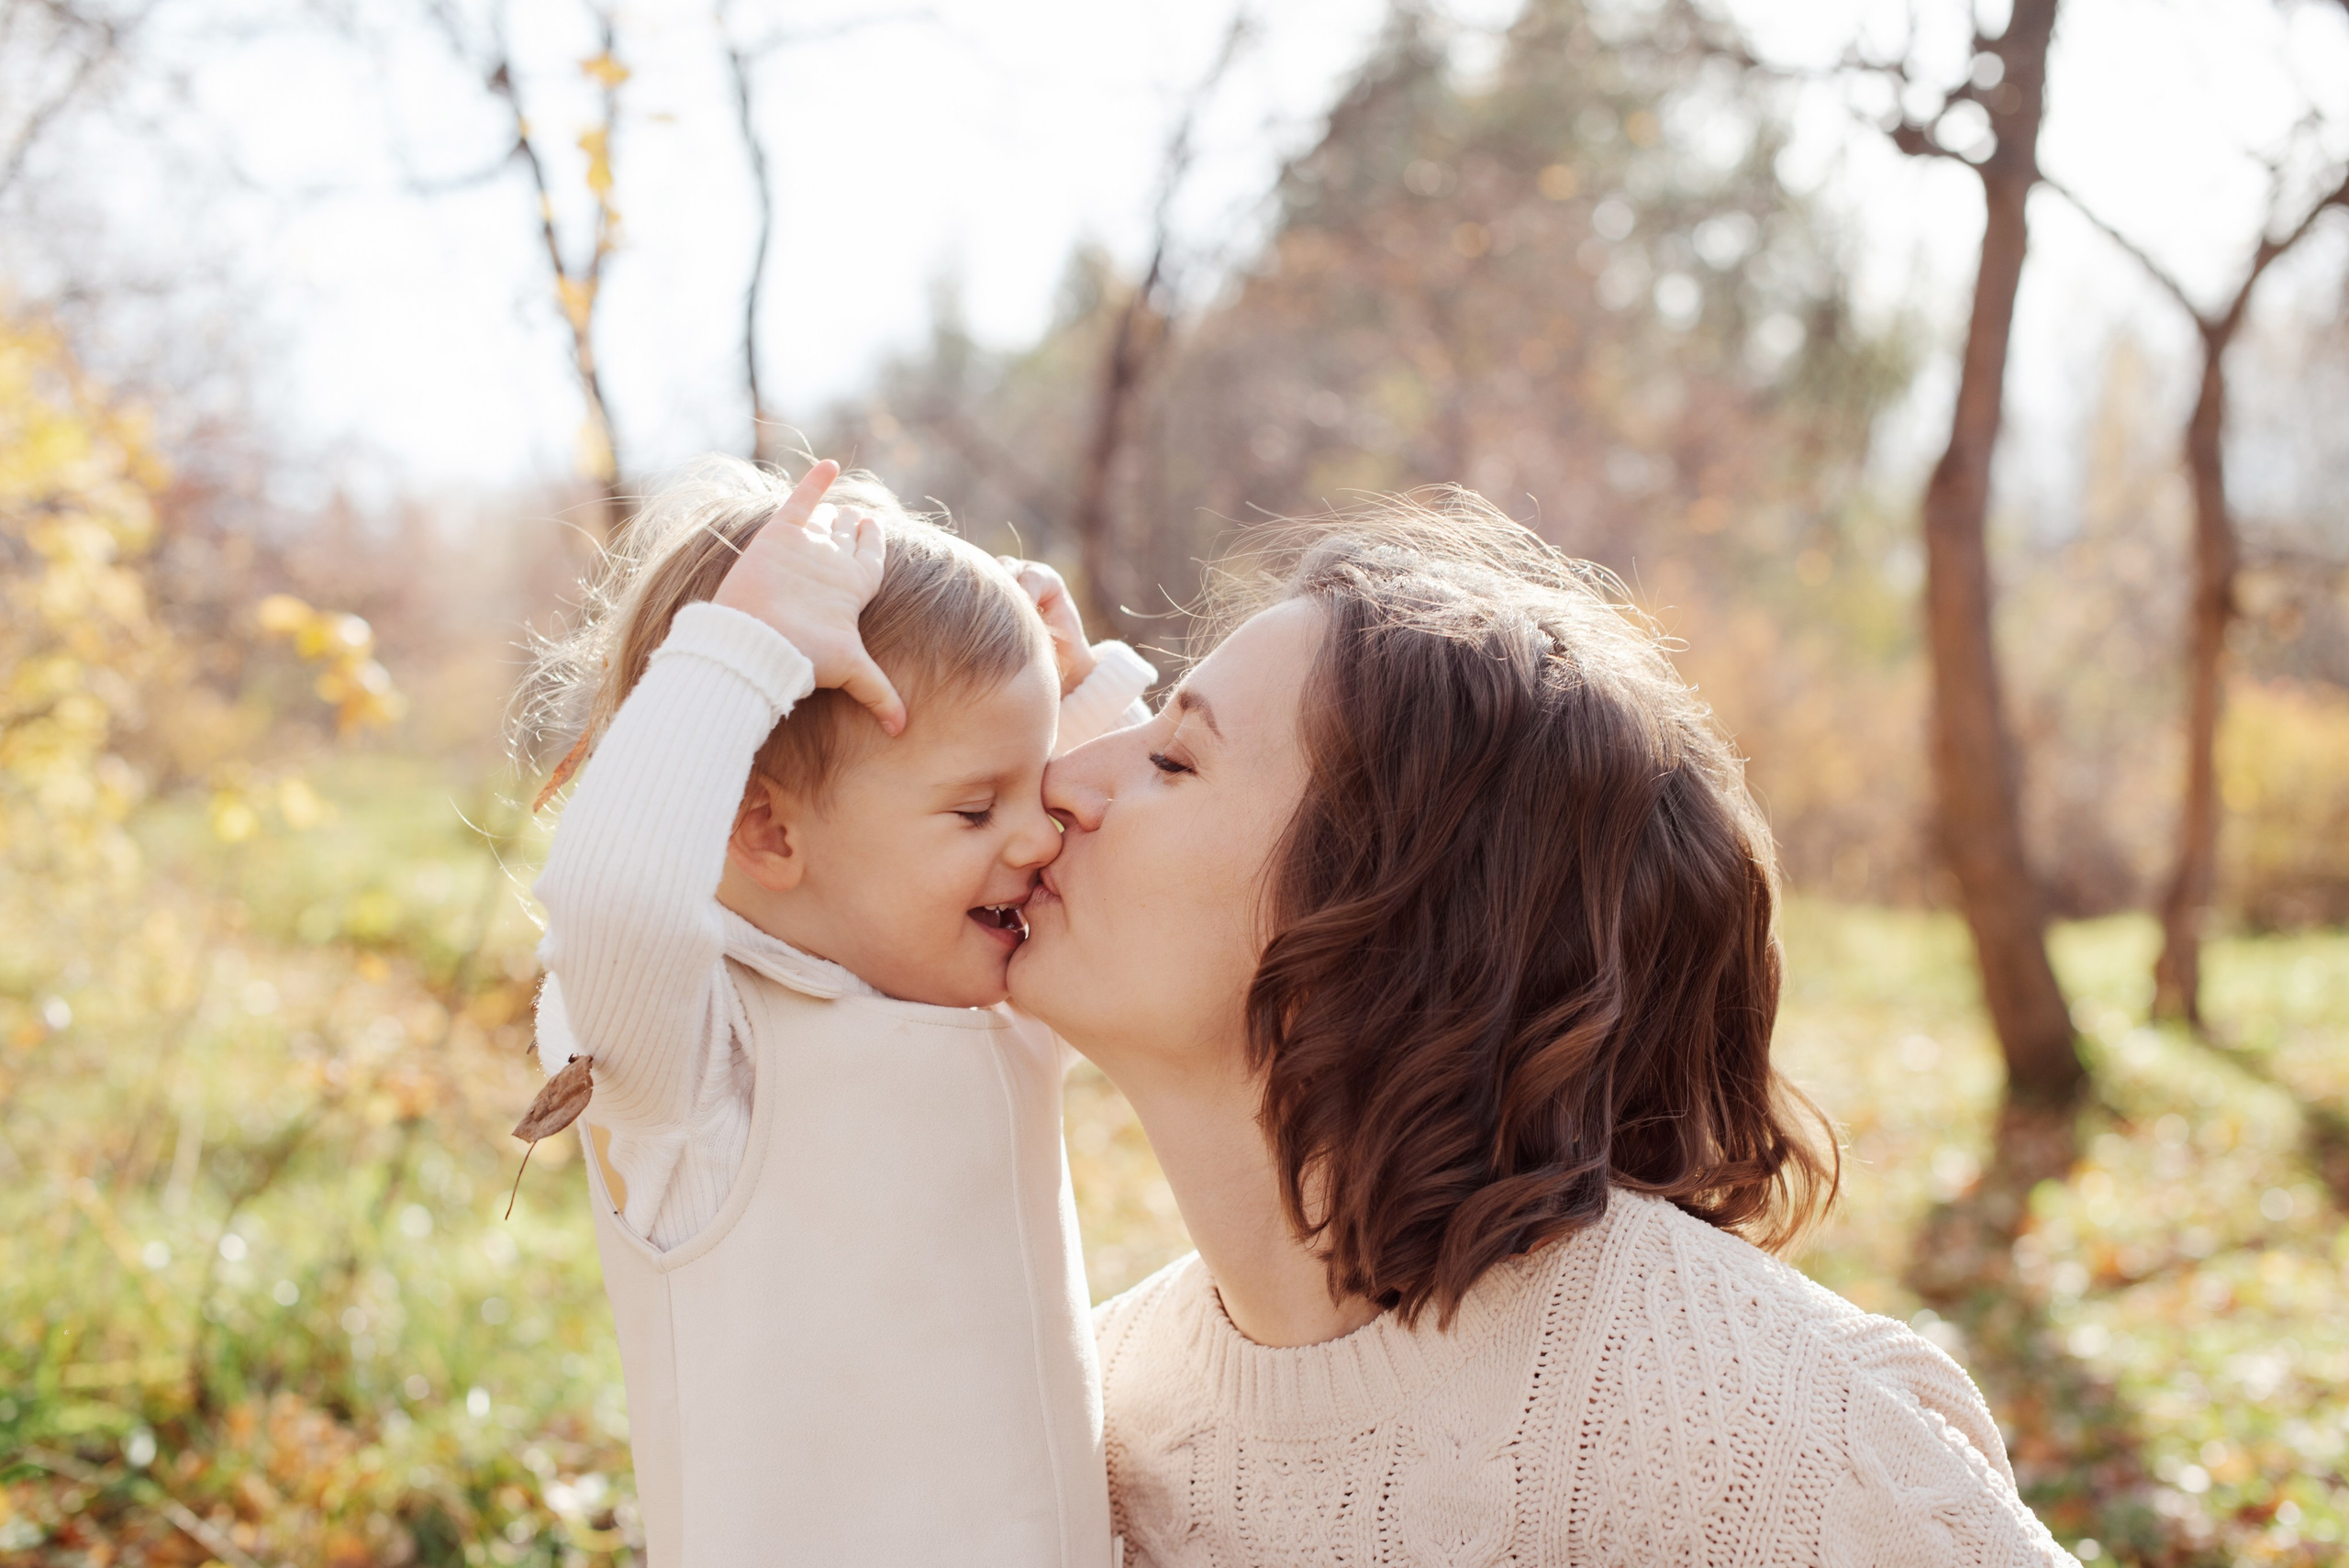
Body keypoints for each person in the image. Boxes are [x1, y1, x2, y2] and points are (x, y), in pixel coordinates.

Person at [1008, 493, 2077, 1566]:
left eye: (1174, 759)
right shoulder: (1097, 1412)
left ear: (1405, 919)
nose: (1059, 780)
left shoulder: (1752, 1429)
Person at [524, 456, 1150, 1566]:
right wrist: (740, 648)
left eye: (1039, 785)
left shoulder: (1003, 995)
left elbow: (1152, 893)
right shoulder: (699, 1062)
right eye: (975, 805)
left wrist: (1081, 701)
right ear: (767, 833)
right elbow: (610, 891)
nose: (1040, 836)